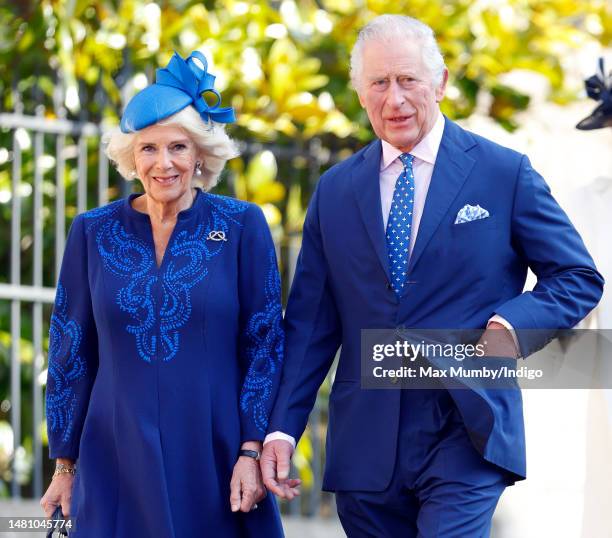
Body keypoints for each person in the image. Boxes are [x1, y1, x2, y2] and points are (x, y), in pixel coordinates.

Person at [260, 14, 604, 537]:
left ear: (439, 83)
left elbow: (577, 276)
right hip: (366, 440)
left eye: (408, 80)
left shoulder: (503, 173)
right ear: (360, 92)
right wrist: (284, 428)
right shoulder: (335, 191)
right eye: (379, 83)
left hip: (466, 425)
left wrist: (512, 326)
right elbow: (310, 326)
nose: (394, 99)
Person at [40, 51, 284, 537]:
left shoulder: (241, 226)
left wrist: (251, 450)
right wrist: (65, 463)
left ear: (200, 155)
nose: (163, 162)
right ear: (132, 156)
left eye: (177, 147)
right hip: (114, 452)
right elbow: (70, 349)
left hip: (212, 452)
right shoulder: (92, 231)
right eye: (148, 148)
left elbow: (265, 344)